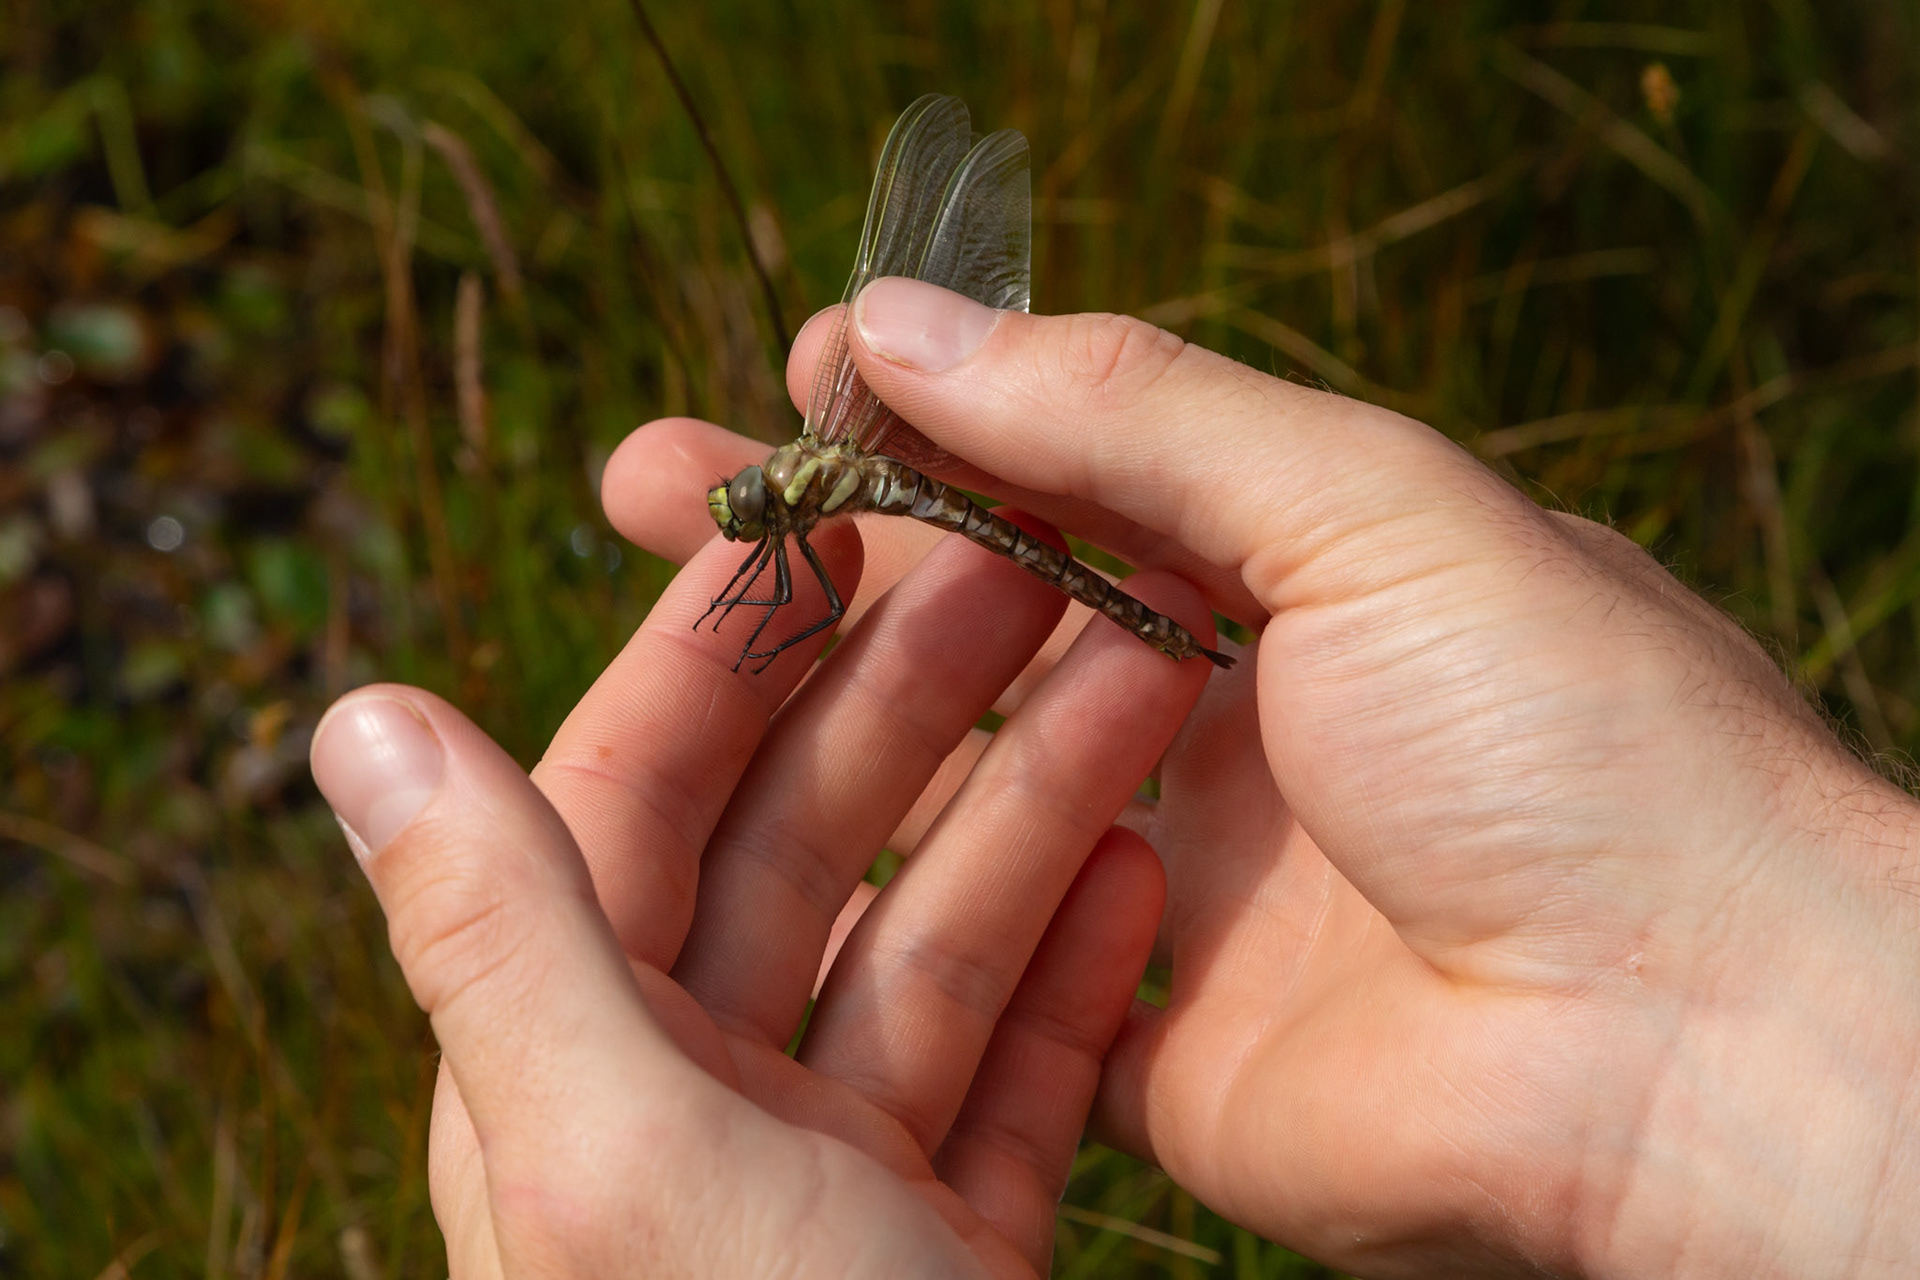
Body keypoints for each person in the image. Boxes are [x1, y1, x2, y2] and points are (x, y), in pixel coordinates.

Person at [310, 277, 1920, 1278]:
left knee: (840, 616)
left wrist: (1730, 1004)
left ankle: (1147, 630)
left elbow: (788, 589)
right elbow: (782, 578)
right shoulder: (798, 521)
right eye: (754, 529)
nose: (748, 534)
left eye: (753, 523)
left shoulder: (815, 513)